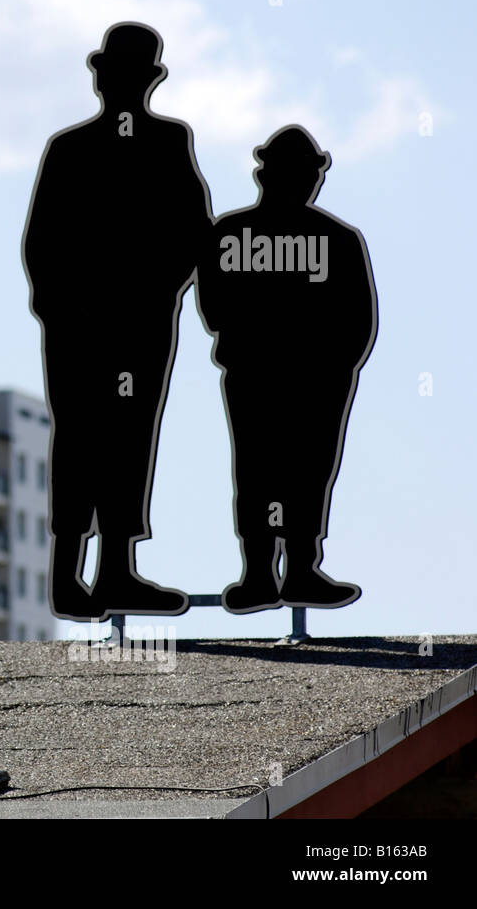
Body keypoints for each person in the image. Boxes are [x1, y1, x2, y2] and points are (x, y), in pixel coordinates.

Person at [22, 22, 212, 622]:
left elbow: (193, 235)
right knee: (82, 440)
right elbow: (41, 244)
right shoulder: (70, 148)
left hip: (138, 325)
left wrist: (154, 293)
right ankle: (67, 575)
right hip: (82, 329)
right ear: (102, 79)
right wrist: (67, 306)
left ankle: (115, 572)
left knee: (127, 441)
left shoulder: (167, 142)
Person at [196, 125, 378, 614]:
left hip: (309, 381)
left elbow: (358, 322)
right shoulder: (235, 235)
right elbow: (213, 307)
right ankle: (262, 572)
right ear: (267, 175)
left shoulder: (333, 239)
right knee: (266, 470)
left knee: (302, 472)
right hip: (265, 377)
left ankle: (295, 570)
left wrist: (333, 368)